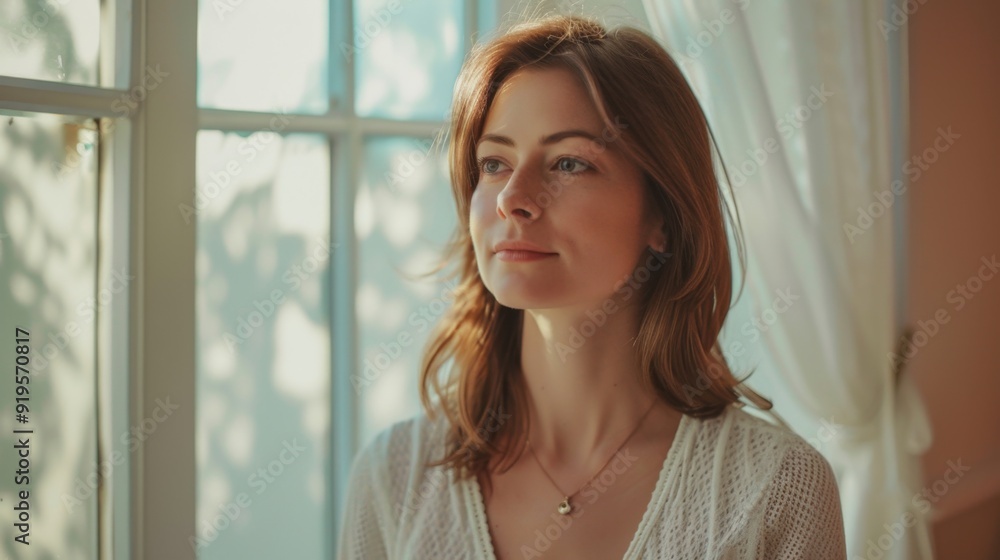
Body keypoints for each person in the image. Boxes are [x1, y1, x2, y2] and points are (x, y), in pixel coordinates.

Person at [337, 13, 847, 560]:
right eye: (494, 162)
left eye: (568, 162)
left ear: (663, 215)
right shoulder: (394, 479)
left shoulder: (775, 490)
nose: (513, 197)